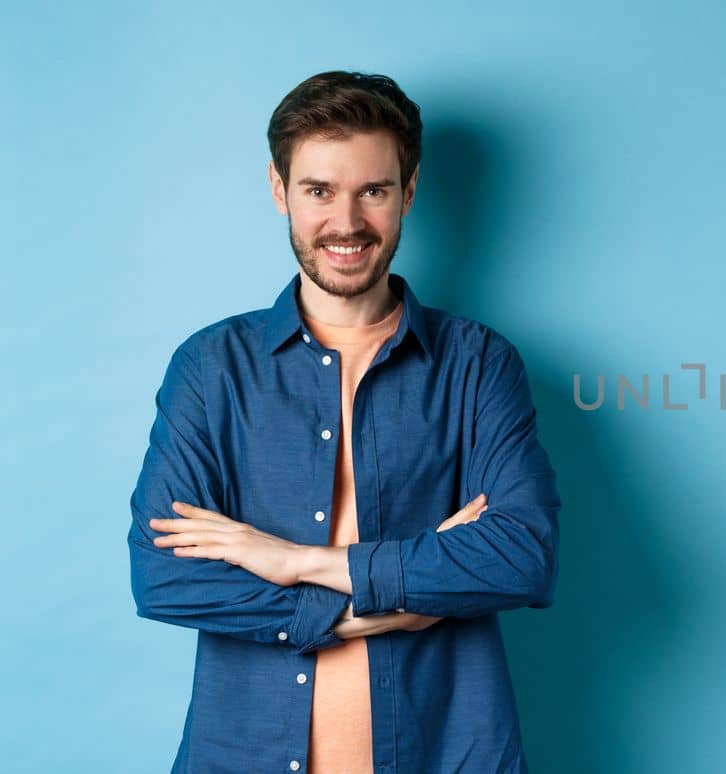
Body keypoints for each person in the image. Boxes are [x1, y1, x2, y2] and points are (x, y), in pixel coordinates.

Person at [127, 70, 560, 773]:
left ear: (409, 192)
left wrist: (301, 561)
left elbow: (522, 558)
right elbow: (164, 575)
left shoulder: (478, 364)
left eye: (374, 191)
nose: (347, 222)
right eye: (319, 190)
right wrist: (384, 603)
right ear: (280, 190)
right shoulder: (213, 368)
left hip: (444, 755)